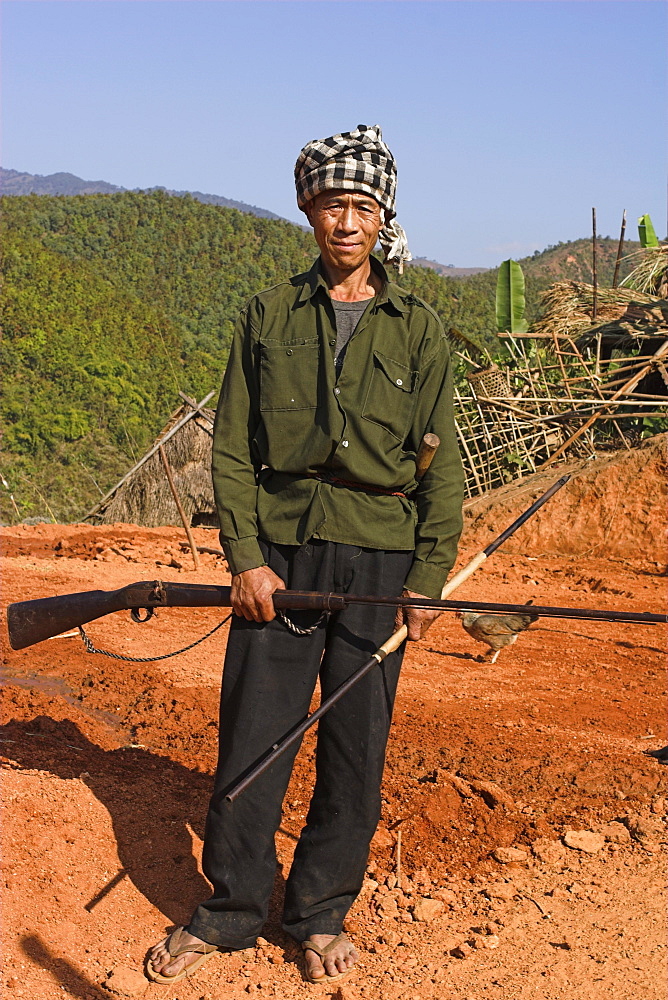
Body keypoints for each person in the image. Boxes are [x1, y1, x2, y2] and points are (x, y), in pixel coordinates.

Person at [148, 124, 464, 986]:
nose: (346, 222)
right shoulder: (267, 316)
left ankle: (321, 915)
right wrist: (246, 558)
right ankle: (232, 910)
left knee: (356, 743)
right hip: (281, 558)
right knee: (256, 734)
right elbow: (233, 450)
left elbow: (445, 467)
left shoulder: (420, 330)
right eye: (331, 205)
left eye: (361, 206)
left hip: (380, 561)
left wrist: (426, 582)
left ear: (381, 216)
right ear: (309, 214)